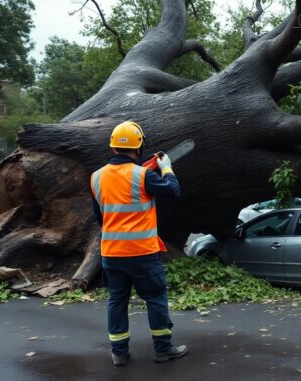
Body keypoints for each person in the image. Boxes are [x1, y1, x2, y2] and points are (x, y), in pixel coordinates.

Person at [90, 120, 188, 366]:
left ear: (113, 148)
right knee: (155, 298)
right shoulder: (144, 175)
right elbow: (173, 191)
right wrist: (166, 169)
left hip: (111, 253)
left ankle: (119, 353)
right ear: (139, 146)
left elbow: (99, 216)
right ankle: (163, 349)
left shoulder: (96, 177)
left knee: (117, 300)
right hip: (142, 253)